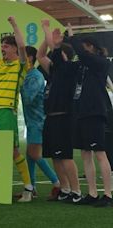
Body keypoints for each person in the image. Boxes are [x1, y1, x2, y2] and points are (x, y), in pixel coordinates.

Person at [0, 16, 33, 202]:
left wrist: (13, 24)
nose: (2, 49)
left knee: (12, 151)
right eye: (1, 46)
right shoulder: (1, 64)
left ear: (13, 50)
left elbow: (22, 46)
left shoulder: (20, 65)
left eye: (5, 46)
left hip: (6, 112)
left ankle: (28, 188)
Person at [67, 24, 112, 207]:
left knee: (100, 153)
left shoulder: (101, 62)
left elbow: (83, 54)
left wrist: (72, 37)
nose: (81, 51)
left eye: (84, 46)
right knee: (85, 154)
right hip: (82, 112)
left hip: (95, 112)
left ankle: (108, 195)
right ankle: (92, 193)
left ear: (91, 47)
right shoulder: (83, 66)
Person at [37, 20, 81, 203]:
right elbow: (40, 55)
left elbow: (54, 52)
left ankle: (76, 192)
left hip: (64, 117)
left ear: (64, 55)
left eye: (57, 51)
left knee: (65, 156)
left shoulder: (70, 69)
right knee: (54, 156)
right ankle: (64, 189)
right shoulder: (53, 71)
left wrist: (46, 29)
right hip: (50, 118)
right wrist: (47, 41)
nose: (53, 54)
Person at [21, 45, 60, 199]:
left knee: (34, 154)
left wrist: (17, 86)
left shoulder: (36, 76)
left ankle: (57, 183)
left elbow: (29, 98)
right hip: (31, 122)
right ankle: (32, 188)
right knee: (30, 155)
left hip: (38, 122)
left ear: (29, 58)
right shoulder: (28, 75)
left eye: (21, 56)